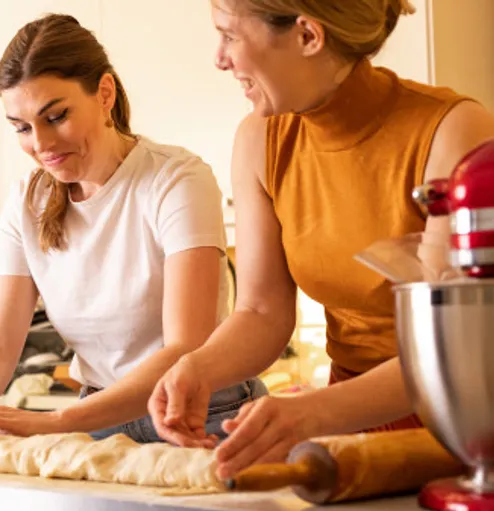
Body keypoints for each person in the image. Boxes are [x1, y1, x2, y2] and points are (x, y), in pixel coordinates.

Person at [149, 0, 494, 480]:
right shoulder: (260, 140)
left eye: (229, 35)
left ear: (308, 36)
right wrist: (198, 368)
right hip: (349, 426)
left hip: (460, 422)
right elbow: (261, 313)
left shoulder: (451, 132)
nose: (219, 59)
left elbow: (454, 350)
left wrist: (314, 412)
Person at [0, 14, 267, 448]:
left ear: (105, 93)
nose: (42, 144)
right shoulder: (27, 203)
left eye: (56, 116)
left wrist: (59, 422)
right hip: (99, 423)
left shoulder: (176, 179)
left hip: (203, 412)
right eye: (22, 128)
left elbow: (185, 345)